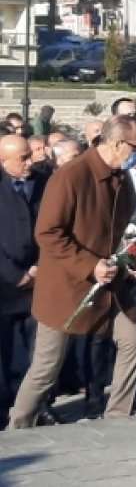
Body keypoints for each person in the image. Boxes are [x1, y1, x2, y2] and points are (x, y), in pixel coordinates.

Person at [9, 116, 136, 427]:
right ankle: (17, 424)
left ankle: (118, 416)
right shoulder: (71, 176)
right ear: (117, 144)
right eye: (135, 147)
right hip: (67, 288)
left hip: (109, 287)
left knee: (135, 340)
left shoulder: (120, 177)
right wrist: (91, 265)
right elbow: (48, 233)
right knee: (46, 366)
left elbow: (126, 228)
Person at [0, 136, 46, 418]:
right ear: (4, 162)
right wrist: (14, 275)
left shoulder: (43, 181)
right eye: (23, 158)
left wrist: (41, 267)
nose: (30, 162)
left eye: (30, 155)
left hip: (38, 280)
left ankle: (38, 405)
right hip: (5, 283)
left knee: (40, 351)